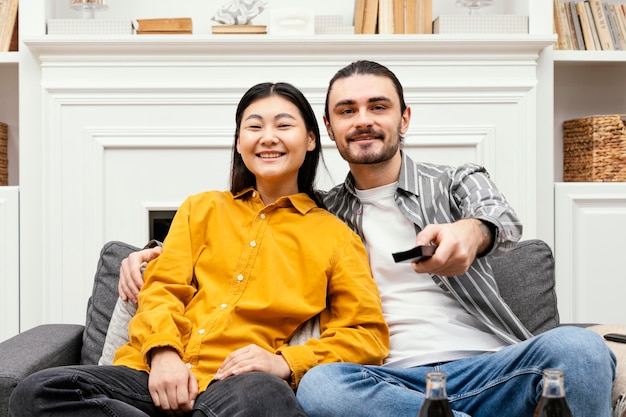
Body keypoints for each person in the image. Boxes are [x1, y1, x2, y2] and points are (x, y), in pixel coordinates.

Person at [117, 61, 617, 417]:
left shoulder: (456, 180)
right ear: (329, 131)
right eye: (347, 110)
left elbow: (497, 216)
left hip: (489, 367)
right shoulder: (325, 214)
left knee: (581, 350)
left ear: (403, 118)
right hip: (381, 382)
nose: (363, 120)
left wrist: (472, 232)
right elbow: (254, 237)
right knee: (322, 388)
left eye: (378, 106)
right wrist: (149, 256)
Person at [8, 81, 389, 417]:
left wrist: (285, 362)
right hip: (148, 378)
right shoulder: (201, 209)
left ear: (309, 140)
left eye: (284, 125)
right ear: (240, 143)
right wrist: (164, 355)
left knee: (267, 398)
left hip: (236, 387)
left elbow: (366, 334)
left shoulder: (335, 236)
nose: (268, 137)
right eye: (254, 127)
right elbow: (162, 289)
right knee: (39, 391)